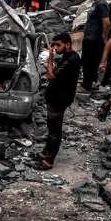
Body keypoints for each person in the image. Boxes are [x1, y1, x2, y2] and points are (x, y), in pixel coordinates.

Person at [35, 32, 81, 170]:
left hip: (60, 99)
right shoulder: (66, 57)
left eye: (58, 45)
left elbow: (51, 75)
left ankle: (49, 160)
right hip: (56, 97)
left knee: (55, 130)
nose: (55, 47)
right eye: (54, 45)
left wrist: (49, 57)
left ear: (67, 44)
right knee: (51, 128)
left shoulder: (72, 59)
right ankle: (46, 152)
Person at [80, 0, 110, 92]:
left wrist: (104, 37)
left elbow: (106, 23)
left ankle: (88, 85)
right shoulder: (95, 4)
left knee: (91, 62)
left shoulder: (102, 4)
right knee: (87, 61)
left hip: (94, 39)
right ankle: (87, 83)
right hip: (89, 38)